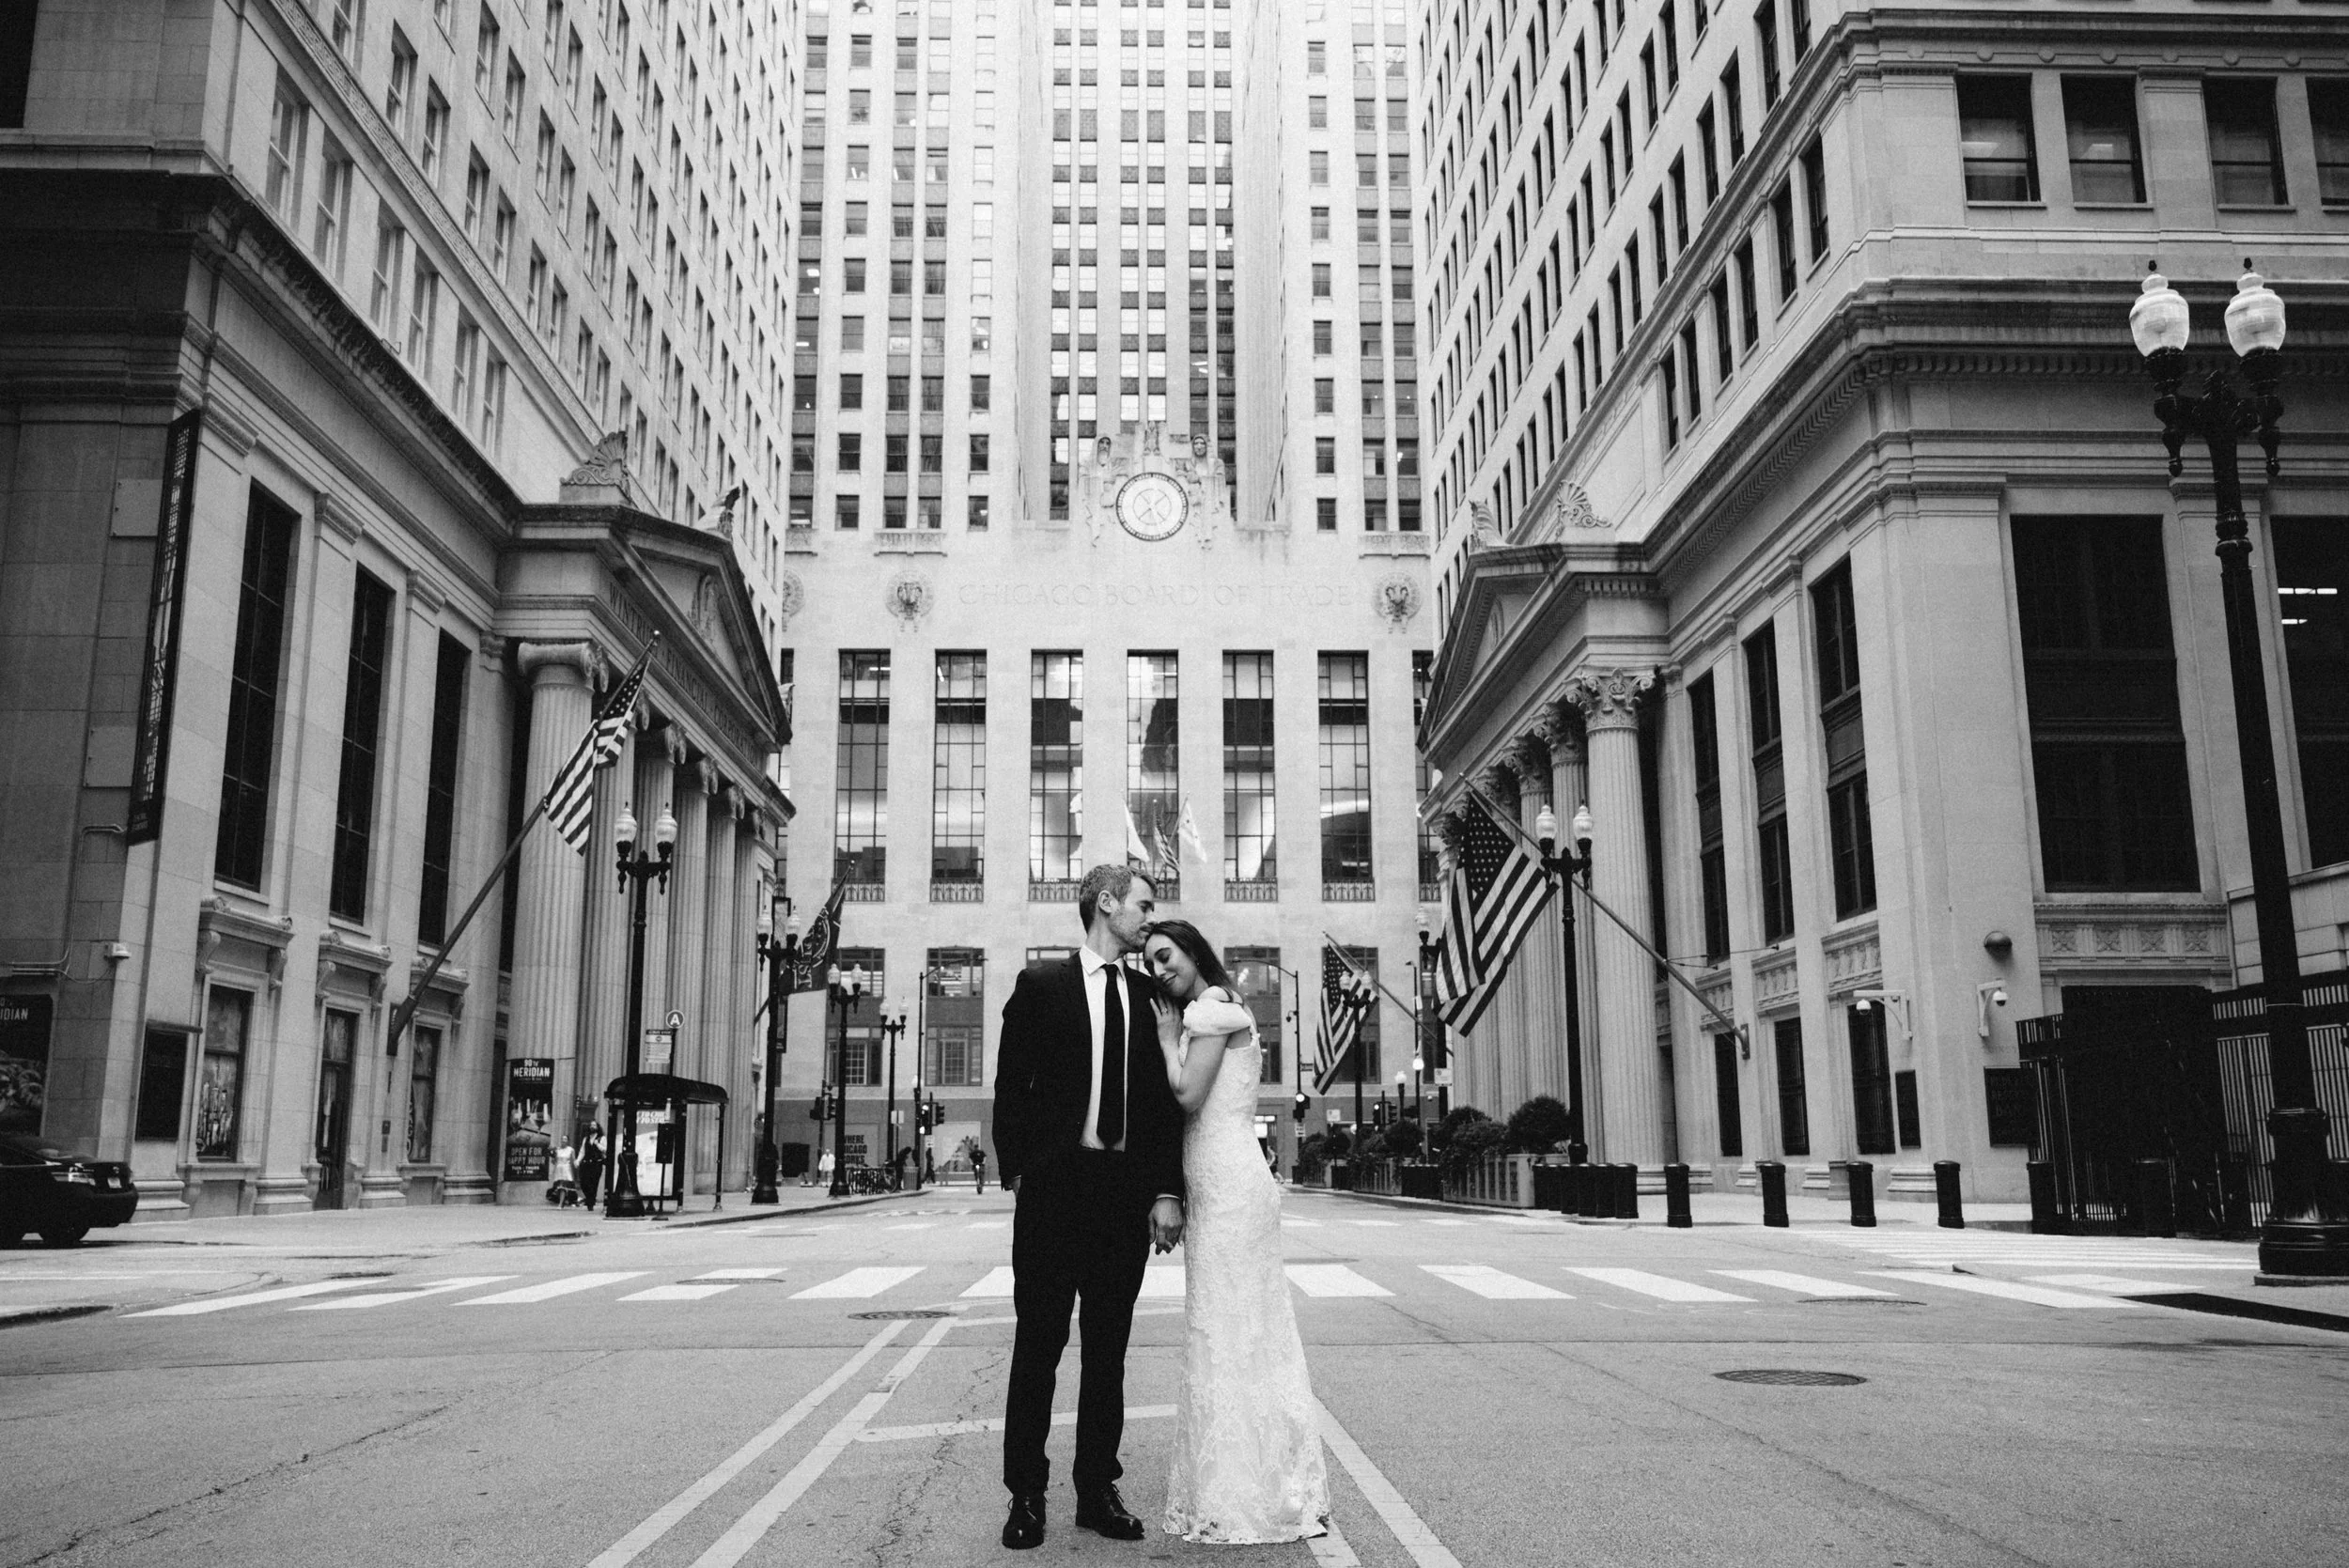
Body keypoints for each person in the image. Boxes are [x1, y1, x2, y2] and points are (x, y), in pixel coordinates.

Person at [992, 864, 1187, 1551]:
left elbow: (1163, 1106)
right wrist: (1020, 1172)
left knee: (1108, 1352)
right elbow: (1011, 1085)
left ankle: (1097, 1490)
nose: (1150, 917)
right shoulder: (1041, 985)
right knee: (1038, 1347)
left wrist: (1166, 1191)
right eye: (1143, 904)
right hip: (1054, 1191)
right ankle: (1026, 1494)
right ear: (1106, 903)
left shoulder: (1149, 995)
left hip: (1121, 1196)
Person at [1143, 918, 1329, 1544]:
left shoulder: (1212, 1010)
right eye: (1152, 963)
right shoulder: (1217, 1008)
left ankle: (1247, 1490)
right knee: (1233, 1330)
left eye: (1166, 955)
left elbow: (1188, 1094)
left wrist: (1166, 1037)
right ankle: (1252, 1479)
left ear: (1193, 951)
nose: (1160, 970)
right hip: (1219, 1183)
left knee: (1231, 1329)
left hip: (1229, 1186)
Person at [577, 1125, 607, 1210]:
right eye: (591, 1125)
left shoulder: (602, 1138)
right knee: (584, 1182)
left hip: (597, 1163)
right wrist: (578, 1160)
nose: (592, 1127)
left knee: (594, 1183)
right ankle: (590, 1198)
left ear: (597, 1128)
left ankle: (590, 1203)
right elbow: (582, 1151)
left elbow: (605, 1149)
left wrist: (597, 1144)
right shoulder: (586, 1139)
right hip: (586, 1163)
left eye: (594, 1125)